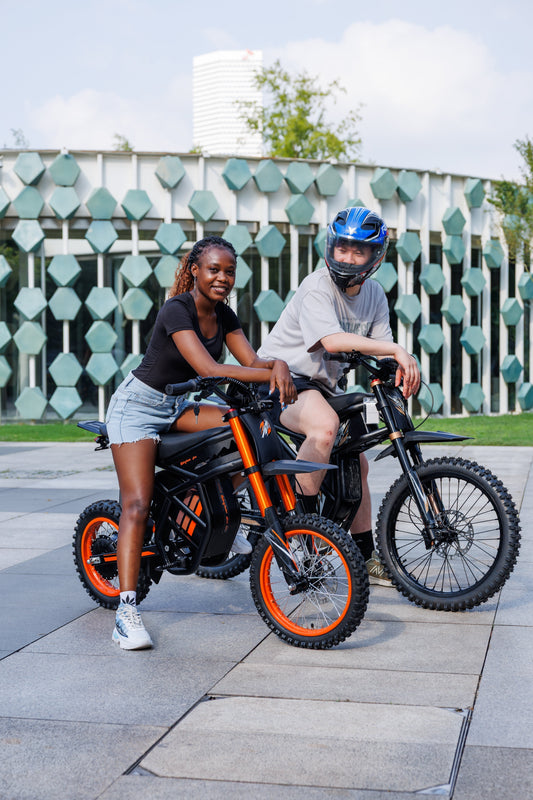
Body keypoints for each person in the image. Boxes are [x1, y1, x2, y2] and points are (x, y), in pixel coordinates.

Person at [106, 235, 296, 650]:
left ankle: (208, 512)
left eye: (229, 271)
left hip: (177, 404)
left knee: (243, 430)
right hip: (137, 408)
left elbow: (251, 361)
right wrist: (270, 376)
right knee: (135, 504)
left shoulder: (224, 315)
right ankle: (126, 611)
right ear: (195, 270)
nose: (222, 278)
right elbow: (209, 367)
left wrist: (278, 364)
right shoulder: (178, 309)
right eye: (214, 269)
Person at [257, 206, 420, 583]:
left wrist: (401, 363)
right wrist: (397, 351)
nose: (347, 258)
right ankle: (305, 538)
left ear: (374, 256)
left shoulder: (374, 293)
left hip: (323, 386)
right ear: (330, 247)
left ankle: (365, 557)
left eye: (358, 251)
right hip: (280, 380)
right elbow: (331, 341)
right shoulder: (317, 286)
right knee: (325, 428)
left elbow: (380, 345)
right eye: (342, 248)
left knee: (357, 461)